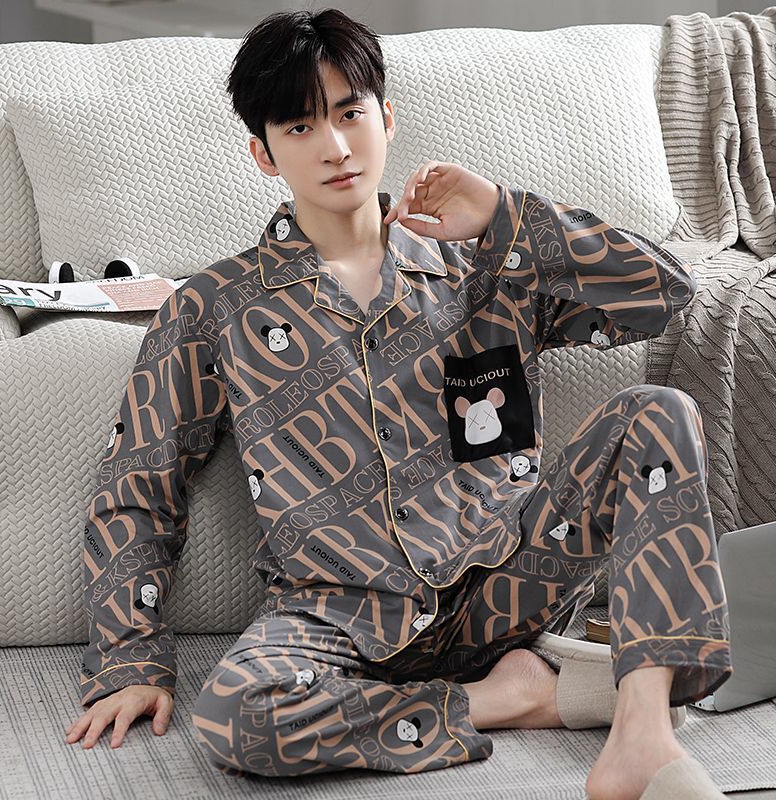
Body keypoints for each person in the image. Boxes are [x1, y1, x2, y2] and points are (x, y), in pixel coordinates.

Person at [64, 8, 732, 798]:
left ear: (387, 117)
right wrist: (131, 658)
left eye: (350, 113)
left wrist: (504, 213)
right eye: (301, 125)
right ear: (263, 152)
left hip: (506, 581)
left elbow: (665, 292)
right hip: (336, 616)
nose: (336, 145)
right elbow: (139, 484)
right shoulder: (213, 307)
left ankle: (644, 734)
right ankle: (518, 698)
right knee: (235, 715)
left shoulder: (484, 265)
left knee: (658, 410)